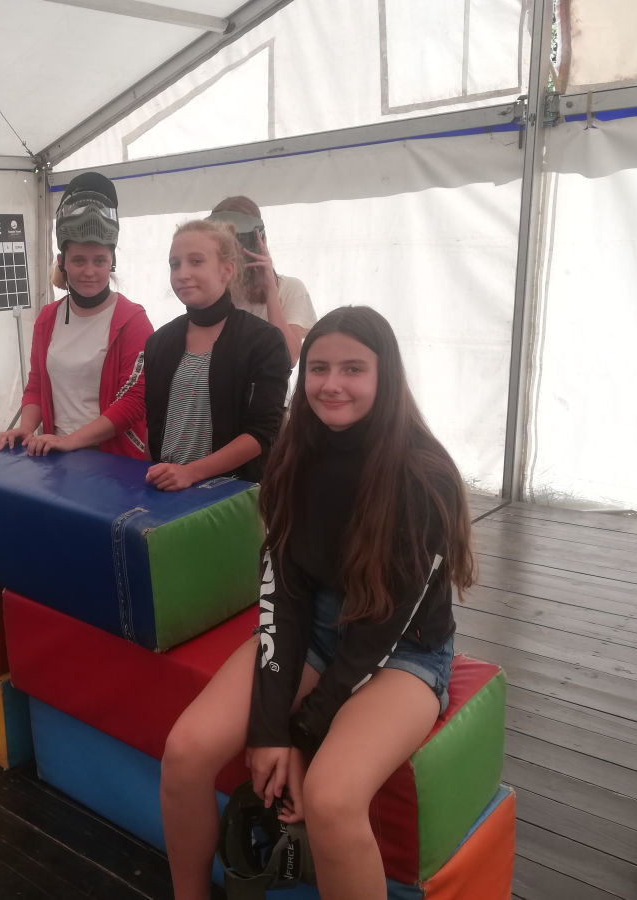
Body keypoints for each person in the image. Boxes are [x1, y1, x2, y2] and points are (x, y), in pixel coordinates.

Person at [160, 306, 476, 900]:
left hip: (403, 654)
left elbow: (380, 634)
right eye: (319, 368)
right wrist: (267, 731)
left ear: (385, 376)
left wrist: (302, 736)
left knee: (331, 799)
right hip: (316, 631)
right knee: (186, 750)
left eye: (353, 369)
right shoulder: (293, 454)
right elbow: (283, 594)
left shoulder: (424, 475)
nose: (332, 384)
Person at [0, 172, 152, 459]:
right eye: (79, 260)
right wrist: (26, 429)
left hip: (114, 461)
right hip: (56, 455)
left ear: (112, 262)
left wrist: (70, 441)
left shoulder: (132, 319)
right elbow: (37, 385)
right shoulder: (48, 317)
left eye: (99, 261)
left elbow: (134, 401)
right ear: (62, 262)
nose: (89, 271)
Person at [143, 219, 289, 490]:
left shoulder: (263, 341)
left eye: (196, 261)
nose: (182, 273)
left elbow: (261, 433)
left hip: (230, 496)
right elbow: (153, 426)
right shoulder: (158, 343)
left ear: (227, 270)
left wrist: (191, 473)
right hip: (167, 489)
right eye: (175, 264)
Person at [207, 196, 317, 366]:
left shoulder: (289, 288)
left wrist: (270, 290)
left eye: (239, 239)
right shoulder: (211, 291)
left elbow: (289, 358)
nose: (231, 249)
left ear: (258, 240)